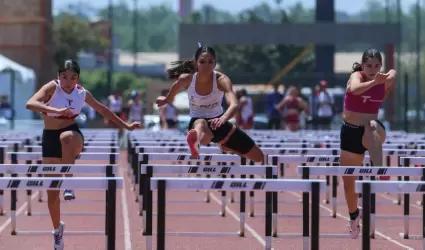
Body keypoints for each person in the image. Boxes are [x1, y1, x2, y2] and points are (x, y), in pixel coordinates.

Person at [25, 59, 141, 250]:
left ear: (78, 78)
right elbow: (30, 104)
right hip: (49, 138)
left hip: (73, 135)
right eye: (64, 77)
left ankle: (69, 182)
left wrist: (126, 126)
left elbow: (103, 110)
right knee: (52, 195)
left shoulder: (82, 93)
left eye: (72, 77)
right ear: (58, 76)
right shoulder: (52, 88)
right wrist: (55, 110)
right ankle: (57, 231)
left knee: (67, 138)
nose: (68, 81)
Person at [155, 45, 264, 163]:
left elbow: (234, 104)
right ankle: (195, 142)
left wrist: (223, 118)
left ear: (215, 63)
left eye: (210, 62)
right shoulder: (186, 79)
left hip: (219, 122)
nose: (206, 65)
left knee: (259, 157)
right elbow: (169, 98)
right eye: (202, 62)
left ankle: (227, 148)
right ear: (196, 63)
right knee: (201, 124)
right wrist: (164, 100)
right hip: (198, 122)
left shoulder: (221, 80)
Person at [339, 48, 396, 239]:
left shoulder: (388, 77)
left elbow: (389, 80)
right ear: (362, 65)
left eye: (377, 65)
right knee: (348, 185)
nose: (373, 69)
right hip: (351, 132)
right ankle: (354, 215)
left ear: (381, 66)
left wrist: (381, 83)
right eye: (369, 65)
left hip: (373, 130)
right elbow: (353, 90)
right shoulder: (356, 76)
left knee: (371, 125)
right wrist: (374, 82)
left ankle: (380, 170)